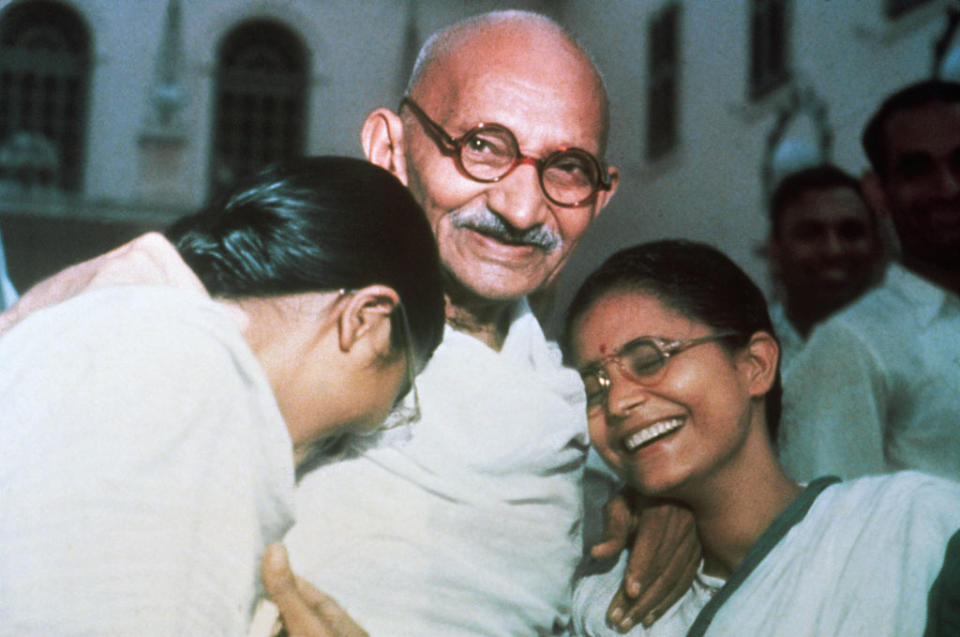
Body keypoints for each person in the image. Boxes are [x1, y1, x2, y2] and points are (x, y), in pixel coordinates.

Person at [283, 10, 697, 635]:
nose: (521, 207)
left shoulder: (577, 406)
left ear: (600, 196)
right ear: (389, 150)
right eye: (481, 145)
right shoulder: (288, 332)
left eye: (567, 168)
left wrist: (677, 504)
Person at [0, 156, 445, 635]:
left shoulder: (110, 322)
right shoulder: (190, 372)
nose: (303, 469)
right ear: (365, 320)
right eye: (337, 438)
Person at [563, 239, 960, 636]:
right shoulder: (603, 607)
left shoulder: (907, 526)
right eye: (593, 389)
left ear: (755, 365)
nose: (617, 402)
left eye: (650, 359)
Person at [778, 80, 960, 482]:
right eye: (917, 170)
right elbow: (834, 527)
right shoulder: (854, 345)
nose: (948, 187)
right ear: (877, 193)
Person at [765, 164, 885, 373]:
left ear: (878, 249)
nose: (834, 251)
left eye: (850, 232)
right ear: (775, 252)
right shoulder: (742, 353)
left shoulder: (917, 347)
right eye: (810, 233)